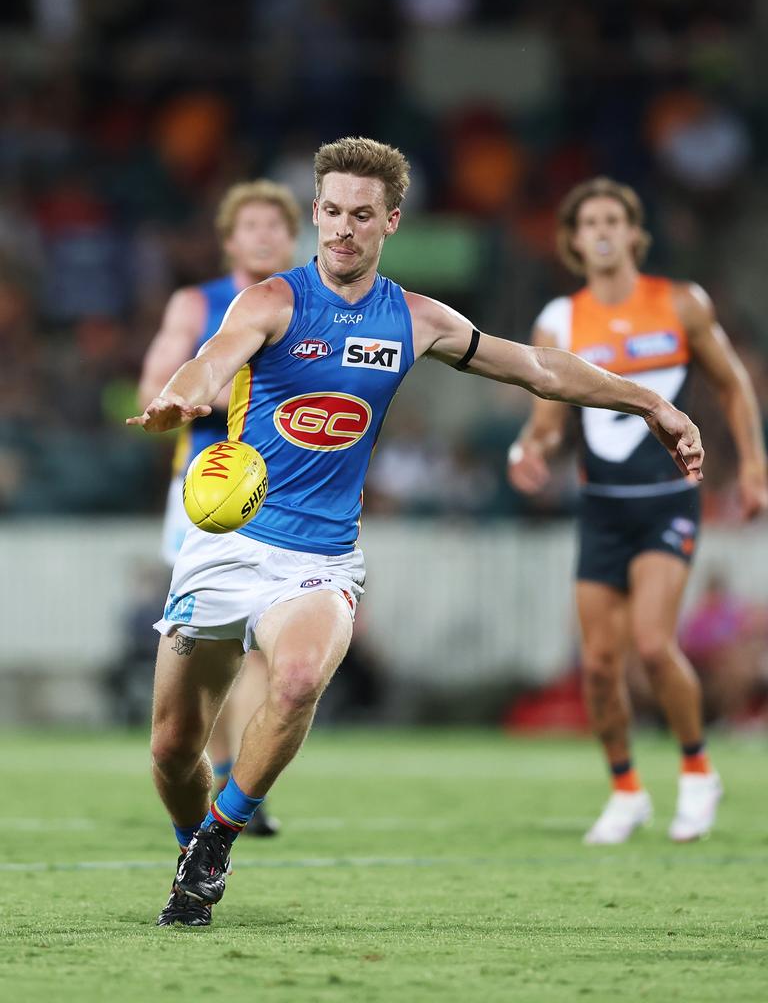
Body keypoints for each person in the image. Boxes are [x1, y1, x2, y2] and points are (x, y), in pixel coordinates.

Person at [127, 139, 704, 927]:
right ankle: (191, 837)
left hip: (320, 557)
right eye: (330, 211)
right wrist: (179, 396)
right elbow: (211, 361)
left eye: (361, 216)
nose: (341, 229)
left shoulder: (418, 319)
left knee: (296, 680)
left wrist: (651, 403)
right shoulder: (269, 302)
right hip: (225, 545)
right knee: (170, 751)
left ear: (390, 221)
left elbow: (538, 367)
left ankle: (216, 847)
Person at [508, 177, 767, 845]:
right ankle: (626, 790)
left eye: (611, 219)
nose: (599, 229)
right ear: (571, 240)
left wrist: (755, 462)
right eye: (586, 220)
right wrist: (526, 448)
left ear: (632, 234)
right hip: (602, 506)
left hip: (668, 499)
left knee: (652, 643)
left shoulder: (679, 303)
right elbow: (547, 421)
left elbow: (733, 385)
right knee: (597, 664)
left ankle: (697, 770)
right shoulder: (560, 321)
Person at [137, 179, 301, 835]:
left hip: (283, 489)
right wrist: (204, 386)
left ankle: (236, 778)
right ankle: (202, 762)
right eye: (251, 226)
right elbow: (155, 383)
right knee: (202, 639)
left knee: (261, 643)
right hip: (208, 489)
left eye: (276, 227)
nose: (265, 236)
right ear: (230, 240)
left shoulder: (306, 307)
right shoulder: (196, 303)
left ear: (293, 240)